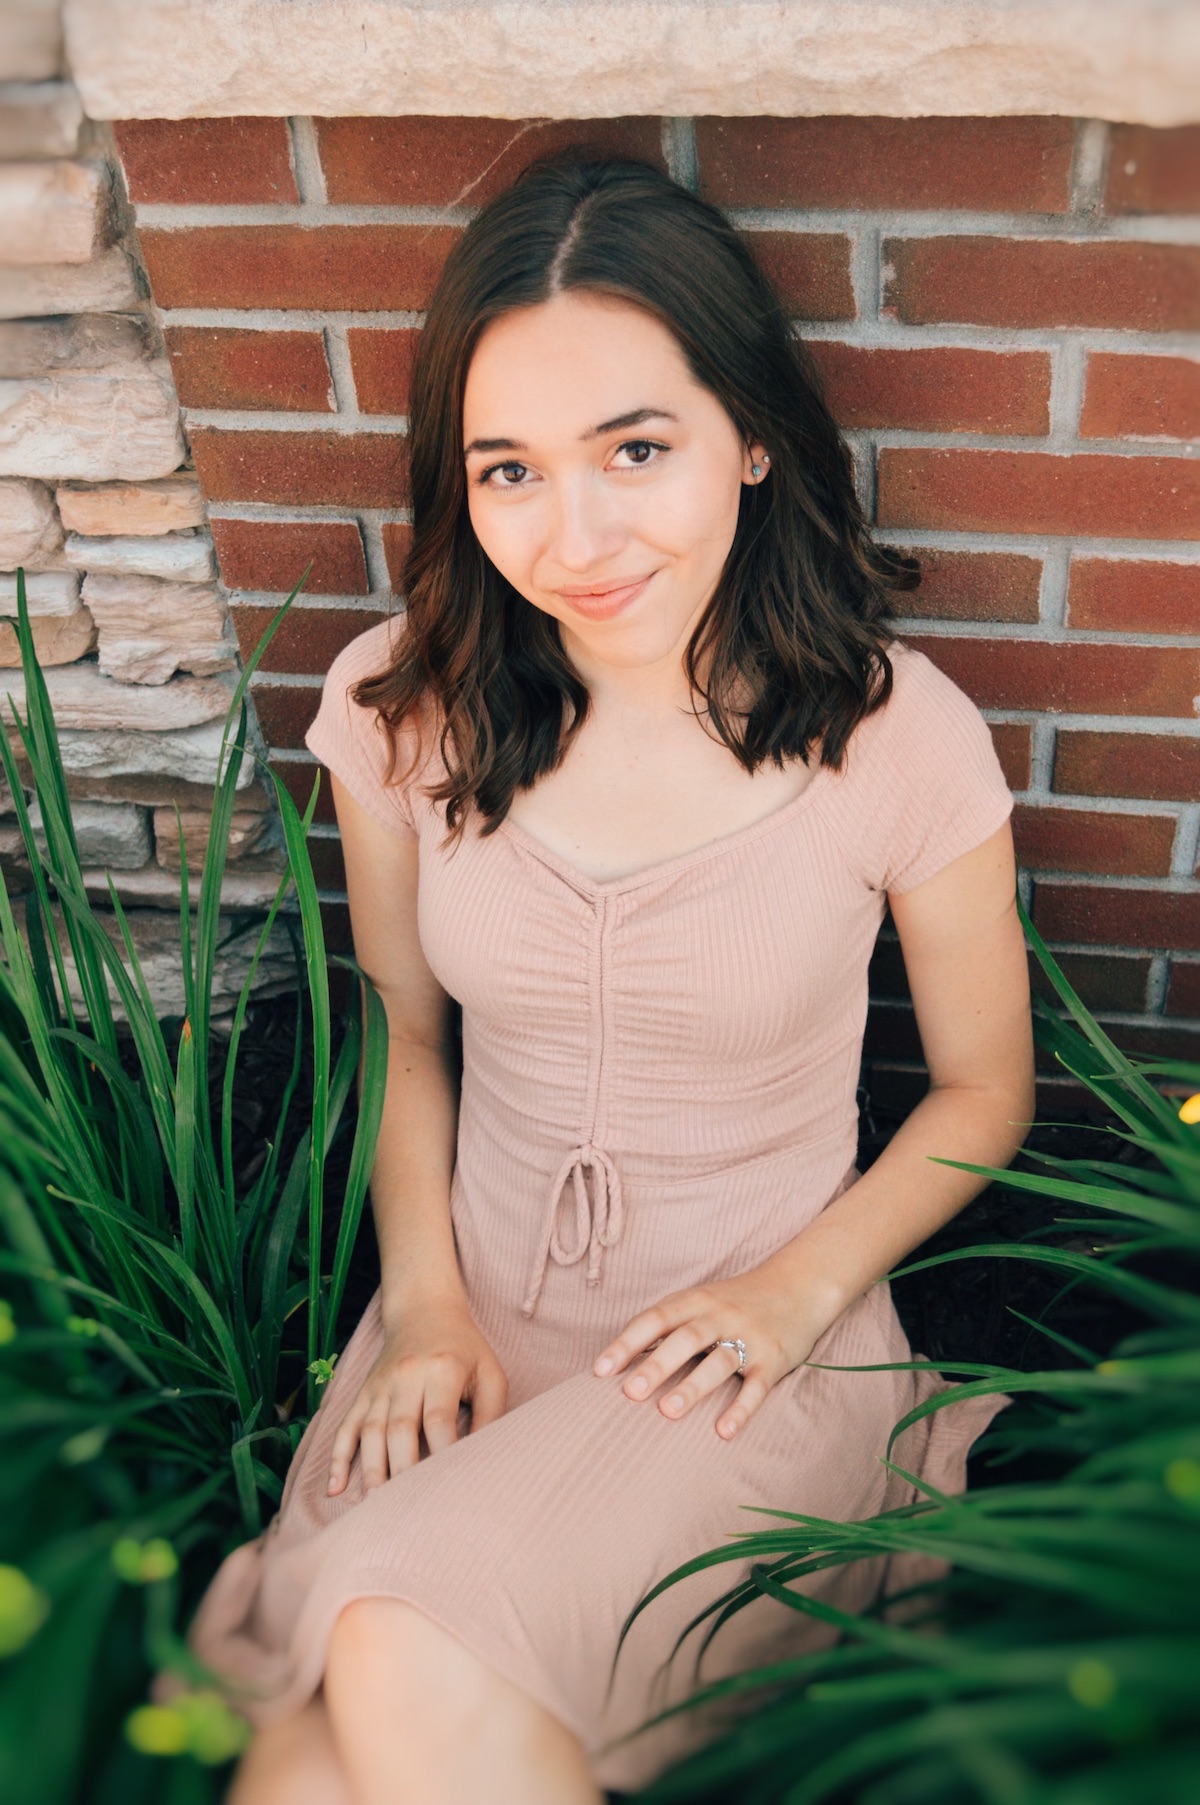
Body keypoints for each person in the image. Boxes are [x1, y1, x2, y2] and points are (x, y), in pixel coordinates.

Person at [194, 154, 1034, 1805]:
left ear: (753, 435)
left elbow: (981, 1090)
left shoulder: (897, 736)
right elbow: (408, 1040)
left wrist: (795, 1296)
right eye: (510, 470)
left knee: (390, 1646)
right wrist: (424, 1301)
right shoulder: (403, 704)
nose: (573, 537)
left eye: (635, 450)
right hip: (476, 1310)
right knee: (298, 1768)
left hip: (737, 1331)